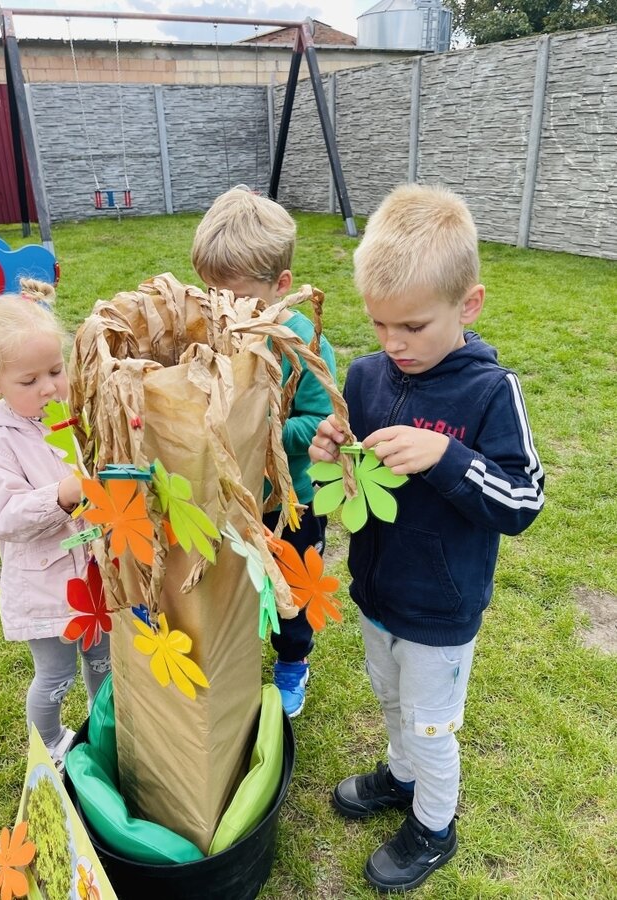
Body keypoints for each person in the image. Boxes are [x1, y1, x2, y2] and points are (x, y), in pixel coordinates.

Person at [309, 183, 544, 892]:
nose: (393, 343)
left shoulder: (490, 392)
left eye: (412, 326)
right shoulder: (365, 376)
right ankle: (401, 775)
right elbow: (353, 467)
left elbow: (523, 499)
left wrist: (449, 457)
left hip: (441, 611)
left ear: (467, 305)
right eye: (379, 323)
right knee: (391, 702)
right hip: (378, 593)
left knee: (432, 725)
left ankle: (434, 826)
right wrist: (331, 448)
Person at [0, 280, 111, 770]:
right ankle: (51, 744)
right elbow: (5, 519)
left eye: (56, 371)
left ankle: (106, 727)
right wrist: (60, 496)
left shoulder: (67, 416)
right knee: (56, 677)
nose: (48, 387)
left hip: (93, 576)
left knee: (104, 662)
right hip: (46, 589)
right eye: (29, 380)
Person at [191, 185, 338, 717]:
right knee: (232, 581)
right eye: (211, 293)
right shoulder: (217, 331)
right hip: (233, 496)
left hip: (289, 502)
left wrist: (260, 429)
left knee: (291, 587)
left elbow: (319, 421)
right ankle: (234, 654)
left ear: (281, 286)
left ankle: (293, 661)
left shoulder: (303, 345)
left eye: (237, 297)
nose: (224, 309)